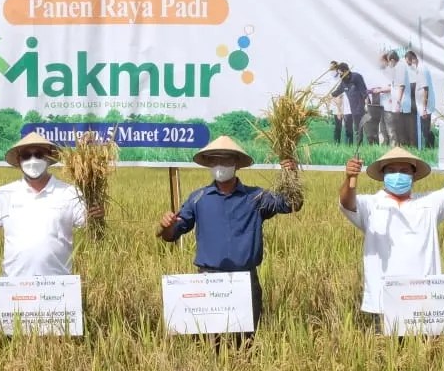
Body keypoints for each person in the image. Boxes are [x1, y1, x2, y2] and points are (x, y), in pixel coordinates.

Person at [157, 136, 300, 340]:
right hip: (208, 281)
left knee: (246, 344)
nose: (220, 165)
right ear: (208, 164)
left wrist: (291, 175)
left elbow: (290, 204)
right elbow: (171, 235)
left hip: (244, 281)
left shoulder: (256, 197)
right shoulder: (198, 198)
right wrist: (166, 226)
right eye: (215, 160)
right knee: (208, 344)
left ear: (236, 164)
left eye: (225, 160)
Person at [339, 146, 444, 332]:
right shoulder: (371, 205)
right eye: (392, 171)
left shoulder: (428, 203)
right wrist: (349, 178)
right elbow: (347, 203)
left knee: (425, 349)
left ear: (413, 175)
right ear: (383, 175)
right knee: (386, 349)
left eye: (404, 171)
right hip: (383, 302)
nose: (398, 175)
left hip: (424, 300)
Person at [0, 132, 102, 276]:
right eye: (26, 155)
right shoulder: (5, 193)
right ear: (19, 160)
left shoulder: (69, 193)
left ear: (49, 158)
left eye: (39, 154)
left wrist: (97, 216)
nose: (33, 160)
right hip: (14, 282)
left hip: (58, 283)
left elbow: (92, 228)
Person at [329, 62, 368, 147]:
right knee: (351, 129)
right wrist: (329, 95)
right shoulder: (343, 81)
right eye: (339, 73)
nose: (340, 75)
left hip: (359, 106)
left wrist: (366, 104)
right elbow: (338, 90)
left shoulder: (356, 77)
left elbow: (364, 91)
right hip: (351, 107)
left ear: (346, 71)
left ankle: (359, 147)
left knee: (358, 128)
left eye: (341, 73)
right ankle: (356, 147)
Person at [405, 50, 435, 148]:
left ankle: (430, 146)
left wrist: (425, 108)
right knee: (424, 129)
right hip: (422, 104)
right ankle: (428, 145)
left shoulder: (421, 69)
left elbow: (426, 89)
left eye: (409, 63)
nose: (409, 66)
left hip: (425, 105)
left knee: (425, 130)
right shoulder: (419, 68)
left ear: (412, 59)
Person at [385, 51, 412, 145]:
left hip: (402, 104)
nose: (388, 64)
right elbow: (394, 86)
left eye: (389, 62)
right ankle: (401, 147)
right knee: (398, 129)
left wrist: (398, 103)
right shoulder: (397, 68)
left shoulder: (400, 67)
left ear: (392, 60)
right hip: (398, 103)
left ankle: (403, 148)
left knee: (401, 130)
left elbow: (401, 86)